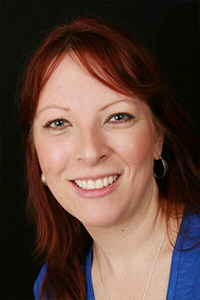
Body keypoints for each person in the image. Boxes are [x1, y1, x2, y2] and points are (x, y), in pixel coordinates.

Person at [19, 16, 200, 300]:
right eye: (58, 123)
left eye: (118, 117)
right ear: (37, 157)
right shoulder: (53, 288)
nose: (91, 152)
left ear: (158, 137)